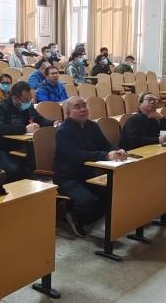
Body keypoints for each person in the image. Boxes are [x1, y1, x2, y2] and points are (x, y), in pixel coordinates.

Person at [54, 96, 127, 236]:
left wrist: (117, 150)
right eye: (77, 107)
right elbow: (76, 155)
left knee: (111, 193)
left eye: (84, 105)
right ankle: (74, 216)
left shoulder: (92, 125)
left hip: (89, 173)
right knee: (87, 201)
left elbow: (105, 144)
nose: (83, 109)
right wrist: (106, 155)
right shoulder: (63, 131)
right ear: (68, 112)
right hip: (67, 177)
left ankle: (87, 217)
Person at [0, 80, 53, 181]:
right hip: (1, 149)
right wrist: (25, 129)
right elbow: (0, 128)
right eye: (25, 100)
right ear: (15, 98)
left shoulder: (28, 106)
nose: (28, 102)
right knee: (16, 170)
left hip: (21, 146)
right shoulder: (1, 107)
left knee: (40, 163)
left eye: (30, 99)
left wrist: (54, 123)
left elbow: (40, 120)